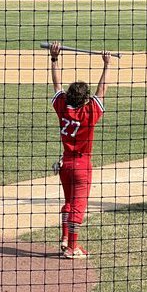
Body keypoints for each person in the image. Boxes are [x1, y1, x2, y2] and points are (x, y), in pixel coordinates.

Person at [49, 41, 111, 259]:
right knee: (78, 206)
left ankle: (65, 238)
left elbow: (57, 87)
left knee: (68, 202)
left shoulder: (62, 108)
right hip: (82, 165)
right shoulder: (90, 113)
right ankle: (72, 247)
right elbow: (101, 90)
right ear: (85, 100)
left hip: (65, 164)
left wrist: (54, 59)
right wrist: (106, 65)